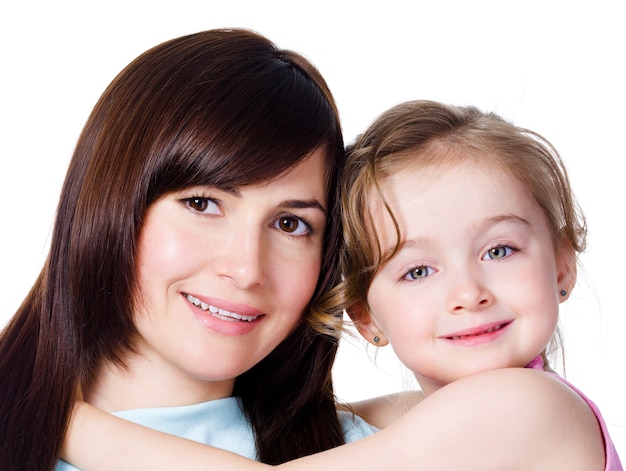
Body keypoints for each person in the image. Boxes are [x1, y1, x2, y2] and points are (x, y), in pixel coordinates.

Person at [62, 100, 622, 470]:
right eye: (418, 271)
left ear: (562, 266)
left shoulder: (527, 406)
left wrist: (65, 422)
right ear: (366, 317)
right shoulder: (425, 416)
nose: (468, 292)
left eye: (499, 250)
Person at [0, 28, 383, 471]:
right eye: (202, 204)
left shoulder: (379, 452)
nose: (245, 269)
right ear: (109, 202)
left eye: (289, 224)